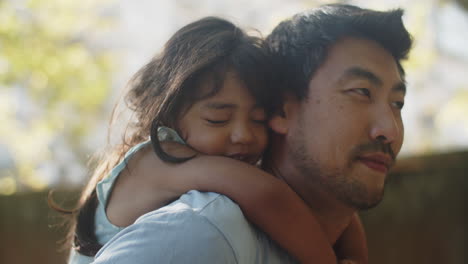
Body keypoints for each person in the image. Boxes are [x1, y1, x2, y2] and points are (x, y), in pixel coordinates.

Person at [91, 4, 413, 264]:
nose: (389, 129)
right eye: (360, 91)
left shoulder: (319, 224)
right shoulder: (199, 222)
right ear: (282, 112)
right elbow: (268, 195)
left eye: (397, 103)